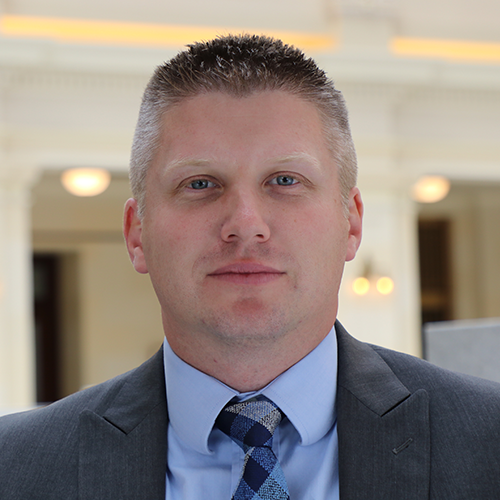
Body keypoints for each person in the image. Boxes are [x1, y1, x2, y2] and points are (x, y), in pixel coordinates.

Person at [1, 34, 499, 500]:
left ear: (350, 223)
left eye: (285, 180)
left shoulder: (488, 443)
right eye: (200, 184)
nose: (245, 224)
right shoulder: (14, 468)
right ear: (137, 234)